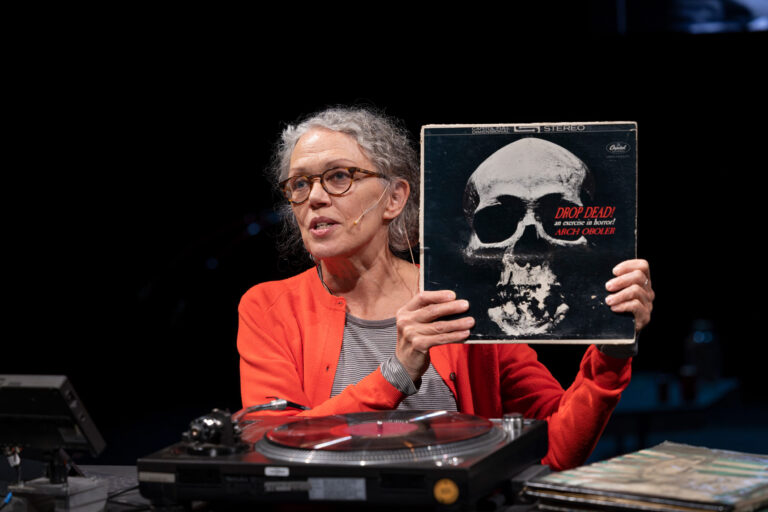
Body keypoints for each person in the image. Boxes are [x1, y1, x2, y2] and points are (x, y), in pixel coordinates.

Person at [237, 106, 655, 471]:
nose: (314, 197)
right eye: (299, 184)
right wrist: (397, 373)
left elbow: (556, 448)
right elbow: (269, 449)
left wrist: (612, 352)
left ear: (394, 198)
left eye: (338, 176)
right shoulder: (269, 307)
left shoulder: (462, 297)